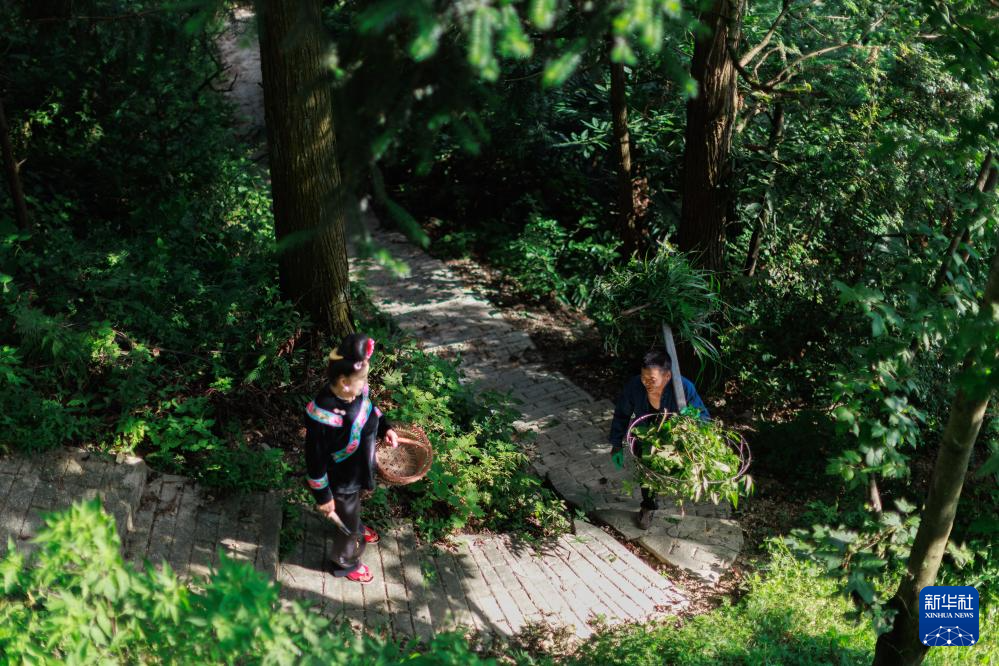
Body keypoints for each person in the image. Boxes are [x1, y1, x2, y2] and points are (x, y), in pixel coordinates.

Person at [304, 333, 399, 584]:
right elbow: (314, 460)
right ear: (344, 381)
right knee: (347, 519)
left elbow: (370, 408)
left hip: (357, 470)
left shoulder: (357, 391)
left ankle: (353, 523)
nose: (365, 384)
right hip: (341, 479)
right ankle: (344, 561)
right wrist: (323, 497)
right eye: (361, 380)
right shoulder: (323, 415)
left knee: (351, 509)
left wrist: (385, 427)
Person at [608, 350, 710, 530]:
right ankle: (648, 506)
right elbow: (622, 414)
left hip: (673, 441)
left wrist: (692, 417)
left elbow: (704, 417)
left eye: (652, 379)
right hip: (646, 437)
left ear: (667, 376)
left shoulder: (684, 388)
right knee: (646, 473)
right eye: (643, 377)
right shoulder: (635, 386)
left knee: (669, 474)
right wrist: (616, 443)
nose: (646, 383)